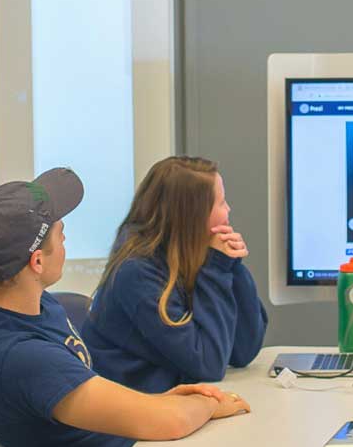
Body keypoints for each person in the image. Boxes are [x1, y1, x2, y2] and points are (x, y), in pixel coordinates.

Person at [0, 168, 250, 447]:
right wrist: (208, 404)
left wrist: (167, 400)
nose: (67, 241)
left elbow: (118, 403)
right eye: (61, 236)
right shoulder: (19, 356)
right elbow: (169, 422)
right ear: (36, 262)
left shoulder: (19, 308)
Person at [82, 156, 268, 394]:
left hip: (169, 403)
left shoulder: (192, 255)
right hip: (133, 415)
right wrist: (217, 269)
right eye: (221, 203)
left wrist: (233, 266)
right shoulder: (136, 273)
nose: (228, 210)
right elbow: (208, 365)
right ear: (193, 215)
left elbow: (244, 350)